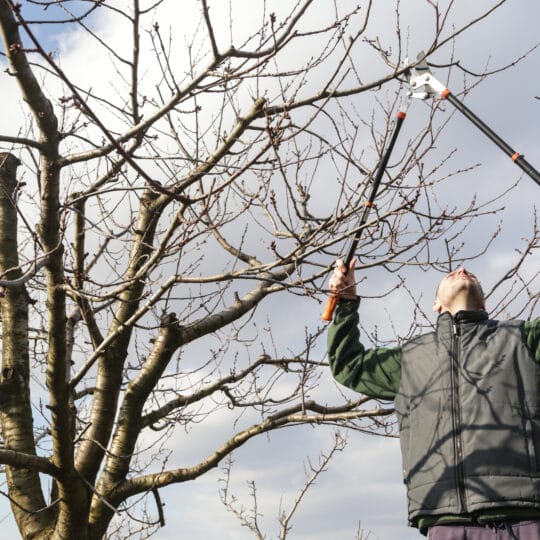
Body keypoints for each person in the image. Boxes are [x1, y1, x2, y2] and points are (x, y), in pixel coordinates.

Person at [327, 258, 540, 539]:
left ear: (484, 304)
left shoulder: (523, 339)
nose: (462, 270)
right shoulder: (410, 359)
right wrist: (345, 301)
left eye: (470, 273)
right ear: (436, 305)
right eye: (452, 273)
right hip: (446, 521)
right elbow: (349, 365)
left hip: (525, 518)